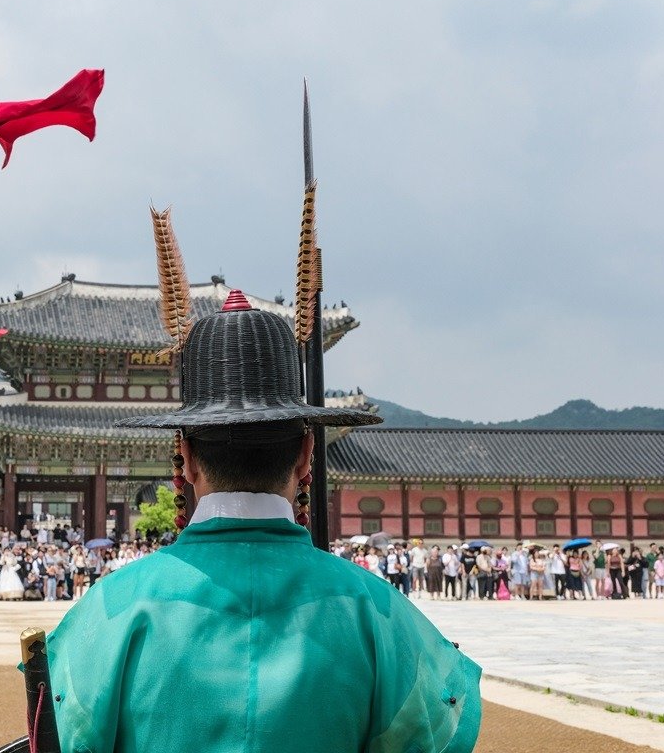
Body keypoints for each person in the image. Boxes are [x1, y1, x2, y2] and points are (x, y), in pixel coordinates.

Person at [41, 292, 479, 752]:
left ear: (186, 459)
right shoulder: (380, 613)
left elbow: (64, 737)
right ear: (307, 454)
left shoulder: (111, 608)